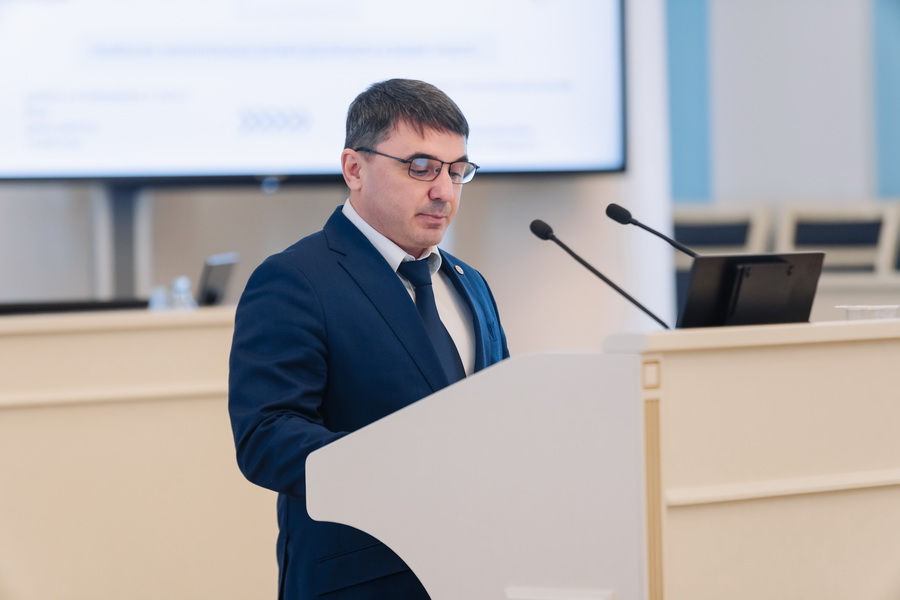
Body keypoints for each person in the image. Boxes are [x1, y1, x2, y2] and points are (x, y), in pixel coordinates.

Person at [228, 78, 510, 599]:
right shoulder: (296, 279)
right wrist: (402, 468)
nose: (444, 191)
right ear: (354, 169)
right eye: (420, 167)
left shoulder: (470, 283)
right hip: (364, 580)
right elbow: (266, 437)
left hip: (476, 570)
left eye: (456, 171)